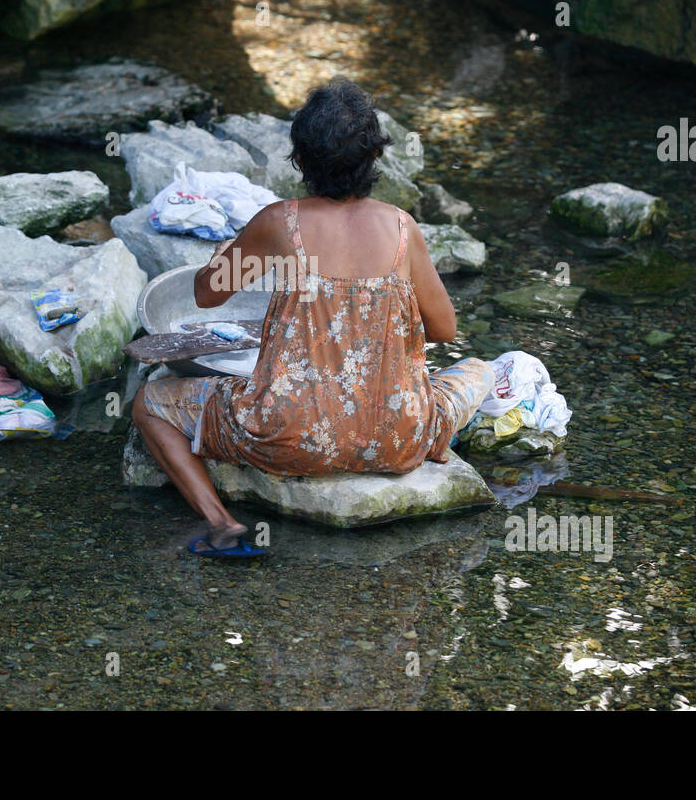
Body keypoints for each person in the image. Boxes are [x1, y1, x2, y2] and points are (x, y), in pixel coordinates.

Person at [132, 78, 495, 557]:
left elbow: (206, 295)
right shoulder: (403, 228)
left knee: (149, 402)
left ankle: (220, 522)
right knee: (481, 370)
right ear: (374, 159)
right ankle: (428, 439)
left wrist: (226, 252)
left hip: (287, 435)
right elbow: (446, 330)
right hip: (399, 434)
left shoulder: (278, 222)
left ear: (300, 160)